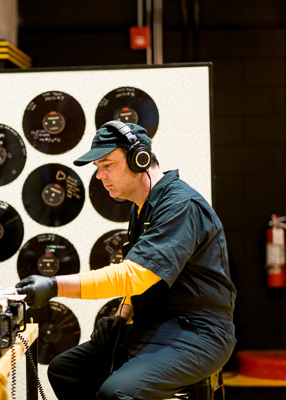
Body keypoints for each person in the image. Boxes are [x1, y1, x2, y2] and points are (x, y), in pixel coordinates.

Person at [16, 121, 237, 400]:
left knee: (117, 393)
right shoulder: (142, 206)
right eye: (98, 167)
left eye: (107, 164)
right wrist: (121, 316)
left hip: (199, 334)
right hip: (156, 325)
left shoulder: (180, 206)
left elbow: (134, 275)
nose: (100, 175)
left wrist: (53, 285)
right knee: (65, 370)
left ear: (139, 158)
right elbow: (145, 277)